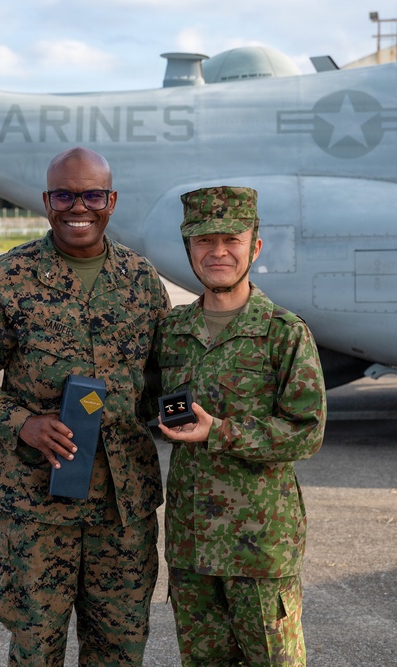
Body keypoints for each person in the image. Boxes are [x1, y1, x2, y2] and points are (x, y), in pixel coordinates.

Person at [0, 146, 171, 666]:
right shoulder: (9, 278)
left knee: (120, 649)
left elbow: (165, 377)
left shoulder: (140, 282)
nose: (77, 207)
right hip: (36, 510)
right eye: (64, 194)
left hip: (122, 510)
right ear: (47, 201)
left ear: (111, 201)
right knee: (35, 649)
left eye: (91, 194)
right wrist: (21, 424)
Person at [153, 186, 327, 665]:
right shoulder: (171, 332)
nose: (218, 252)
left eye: (231, 239)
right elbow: (142, 401)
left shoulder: (283, 332)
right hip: (191, 547)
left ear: (255, 246)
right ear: (189, 249)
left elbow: (307, 431)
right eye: (204, 241)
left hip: (260, 548)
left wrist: (220, 431)